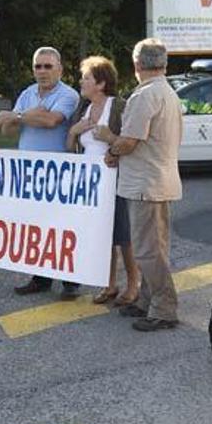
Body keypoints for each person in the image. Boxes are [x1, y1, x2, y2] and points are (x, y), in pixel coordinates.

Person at [98, 38, 182, 332]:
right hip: (158, 179)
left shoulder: (145, 95)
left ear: (137, 65)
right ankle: (147, 301)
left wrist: (110, 143)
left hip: (146, 183)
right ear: (164, 64)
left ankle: (163, 308)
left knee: (148, 250)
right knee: (153, 246)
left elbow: (130, 140)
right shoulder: (166, 92)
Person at [0, 46, 81, 300]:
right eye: (38, 66)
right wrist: (22, 117)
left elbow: (50, 120)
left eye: (48, 66)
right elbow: (7, 130)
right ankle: (41, 278)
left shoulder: (68, 94)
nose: (42, 71)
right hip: (29, 172)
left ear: (60, 69)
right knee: (37, 226)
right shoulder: (28, 93)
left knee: (63, 227)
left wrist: (18, 115)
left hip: (58, 172)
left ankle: (70, 282)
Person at [66, 56, 140, 306]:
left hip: (115, 179)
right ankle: (109, 284)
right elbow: (70, 150)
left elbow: (131, 143)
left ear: (100, 83)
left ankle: (133, 284)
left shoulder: (118, 107)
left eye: (86, 78)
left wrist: (110, 138)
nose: (81, 82)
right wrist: (73, 132)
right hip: (90, 183)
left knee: (122, 233)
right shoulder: (83, 108)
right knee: (102, 234)